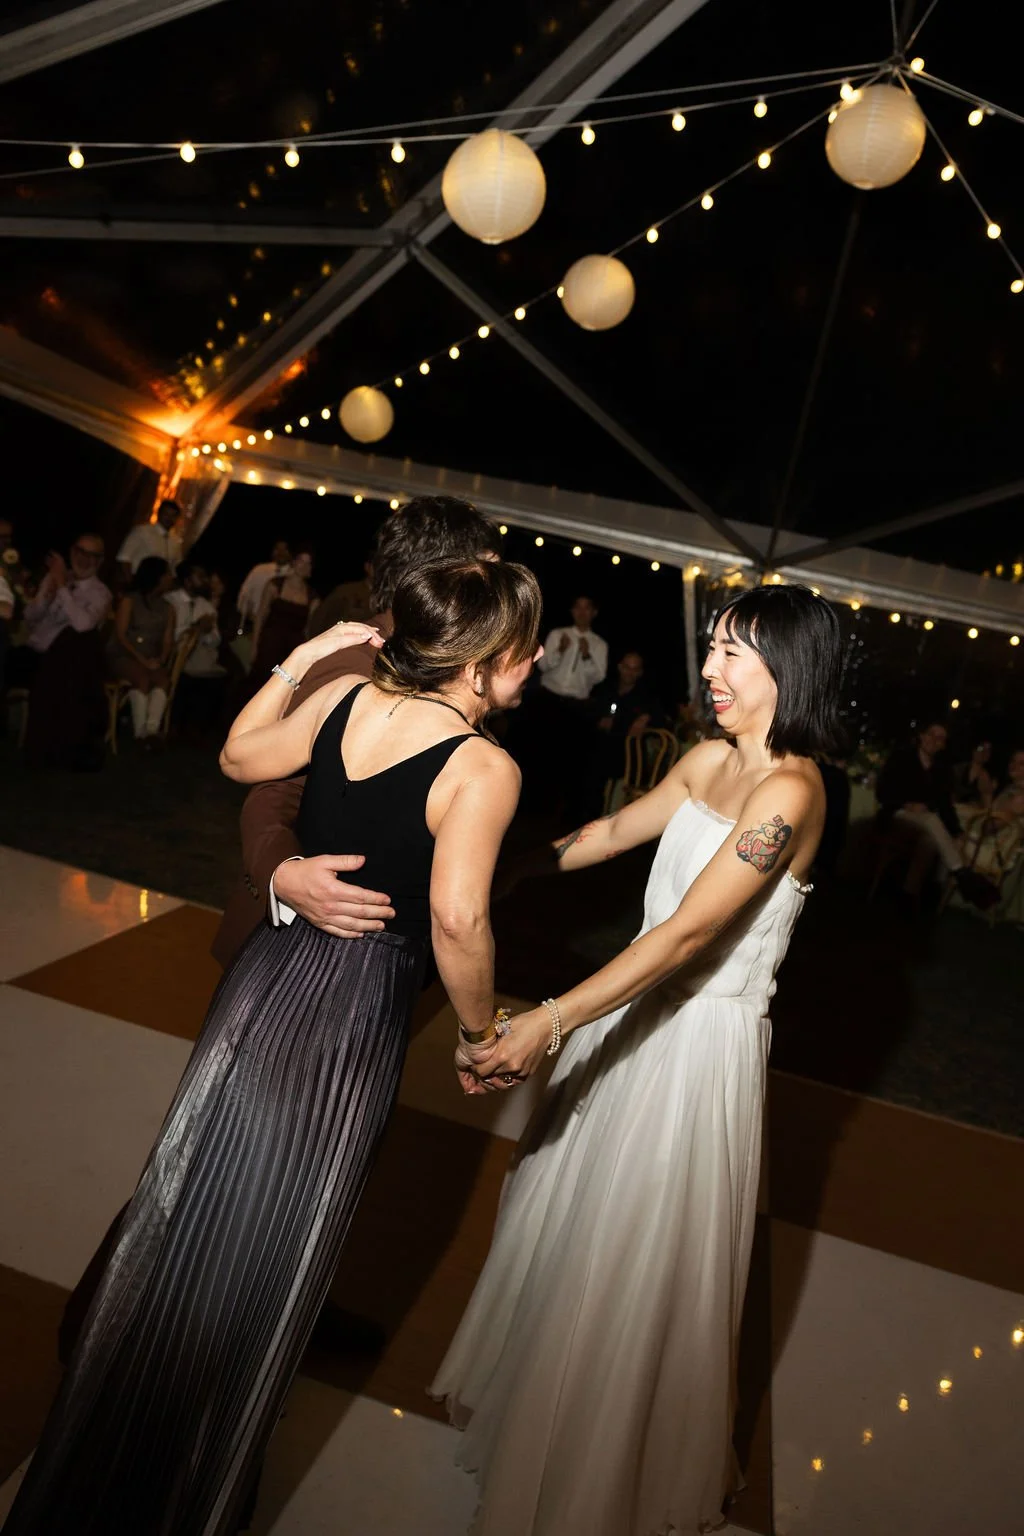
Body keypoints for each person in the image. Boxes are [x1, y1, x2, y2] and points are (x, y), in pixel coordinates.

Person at [4, 559, 541, 1536]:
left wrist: (303, 657)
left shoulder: (345, 704)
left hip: (263, 982)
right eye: (525, 647)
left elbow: (239, 756)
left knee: (190, 1204)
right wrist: (479, 1034)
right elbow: (459, 922)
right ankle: (187, 1487)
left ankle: (110, 1449)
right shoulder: (482, 768)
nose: (534, 662)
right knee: (276, 1241)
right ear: (483, 660)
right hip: (351, 1008)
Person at [433, 584, 841, 1536]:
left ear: (790, 669)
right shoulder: (706, 760)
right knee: (576, 1228)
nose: (710, 669)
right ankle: (545, 1419)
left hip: (697, 1050)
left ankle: (603, 1466)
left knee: (637, 1257)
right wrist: (509, 865)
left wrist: (549, 1020)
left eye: (733, 653)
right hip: (629, 1017)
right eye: (713, 648)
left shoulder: (792, 794)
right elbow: (613, 833)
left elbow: (691, 934)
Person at [212, 495, 504, 968]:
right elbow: (275, 787)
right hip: (300, 947)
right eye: (489, 570)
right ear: (441, 576)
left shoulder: (431, 662)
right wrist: (284, 873)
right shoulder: (360, 658)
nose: (499, 588)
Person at [11, 533, 111, 768]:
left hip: (66, 664)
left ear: (99, 561)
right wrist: (47, 595)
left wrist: (62, 588)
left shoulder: (100, 592)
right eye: (80, 552)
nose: (83, 559)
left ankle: (55, 747)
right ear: (72, 552)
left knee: (74, 643)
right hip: (34, 653)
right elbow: (30, 617)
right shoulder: (54, 579)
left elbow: (83, 625)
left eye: (91, 555)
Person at [875, 721, 994, 906]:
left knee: (930, 842)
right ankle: (960, 872)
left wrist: (957, 832)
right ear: (922, 736)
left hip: (923, 822)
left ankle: (909, 895)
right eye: (932, 735)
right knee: (931, 819)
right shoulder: (902, 758)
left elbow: (945, 805)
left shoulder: (941, 769)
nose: (934, 741)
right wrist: (906, 804)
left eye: (940, 739)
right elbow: (883, 791)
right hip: (897, 813)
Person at [576, 649, 660, 820]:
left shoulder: (645, 696)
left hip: (625, 757)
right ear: (620, 667)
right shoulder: (606, 689)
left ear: (640, 672)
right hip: (598, 749)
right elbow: (589, 714)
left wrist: (646, 718)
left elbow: (659, 719)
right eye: (627, 667)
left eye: (635, 669)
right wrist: (600, 721)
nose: (630, 673)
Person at [106, 555, 175, 743]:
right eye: (167, 574)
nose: (171, 578)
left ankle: (151, 731)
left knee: (162, 680)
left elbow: (167, 640)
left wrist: (161, 659)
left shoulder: (168, 608)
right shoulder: (130, 601)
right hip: (124, 655)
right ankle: (140, 732)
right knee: (141, 677)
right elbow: (121, 636)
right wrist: (143, 661)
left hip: (150, 658)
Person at [165, 561, 228, 736]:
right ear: (187, 580)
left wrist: (205, 632)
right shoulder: (170, 601)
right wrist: (194, 628)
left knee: (213, 679)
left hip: (199, 656)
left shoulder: (205, 605)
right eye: (200, 577)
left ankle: (197, 730)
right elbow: (170, 634)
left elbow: (215, 640)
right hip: (174, 655)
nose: (205, 581)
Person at [248, 548, 318, 691]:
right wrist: (254, 646)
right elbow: (260, 616)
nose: (303, 565)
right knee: (261, 685)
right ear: (294, 562)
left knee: (285, 688)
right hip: (269, 645)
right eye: (301, 561)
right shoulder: (275, 585)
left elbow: (308, 630)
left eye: (308, 563)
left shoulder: (313, 597)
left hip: (291, 651)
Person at [116, 499, 184, 580]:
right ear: (159, 513)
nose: (169, 518)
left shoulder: (175, 541)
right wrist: (131, 582)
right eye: (166, 514)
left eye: (173, 516)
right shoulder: (142, 531)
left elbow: (175, 567)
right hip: (138, 579)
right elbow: (124, 558)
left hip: (159, 584)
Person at [235, 539, 292, 631]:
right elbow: (244, 595)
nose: (280, 553)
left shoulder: (293, 575)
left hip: (277, 629)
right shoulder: (259, 570)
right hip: (250, 625)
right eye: (277, 549)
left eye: (284, 549)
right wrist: (247, 614)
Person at [309, 556, 376, 634]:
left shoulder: (383, 597)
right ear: (367, 566)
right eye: (376, 566)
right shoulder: (347, 591)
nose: (379, 571)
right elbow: (321, 616)